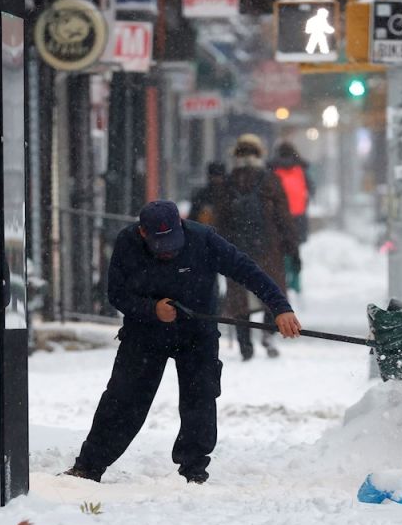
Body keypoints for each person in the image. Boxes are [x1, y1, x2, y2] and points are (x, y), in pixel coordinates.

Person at [63, 200, 302, 484]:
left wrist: (280, 307)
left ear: (181, 226)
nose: (169, 252)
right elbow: (116, 294)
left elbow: (247, 270)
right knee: (123, 399)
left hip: (197, 333)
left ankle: (194, 470)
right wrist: (152, 310)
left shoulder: (203, 239)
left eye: (174, 245)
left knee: (200, 398)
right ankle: (88, 467)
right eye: (160, 246)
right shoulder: (127, 243)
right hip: (144, 333)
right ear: (142, 233)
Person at [214, 133, 300, 360]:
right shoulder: (269, 180)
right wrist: (292, 246)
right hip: (268, 248)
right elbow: (283, 217)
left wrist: (216, 250)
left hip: (235, 249)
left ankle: (245, 346)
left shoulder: (227, 183)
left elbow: (219, 220)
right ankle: (268, 335)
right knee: (272, 291)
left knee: (240, 298)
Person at [269, 141, 313, 293]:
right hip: (298, 216)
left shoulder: (273, 168)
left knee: (279, 250)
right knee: (295, 249)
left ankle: (283, 280)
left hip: (279, 216)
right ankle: (296, 282)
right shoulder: (301, 168)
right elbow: (311, 190)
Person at [187, 161, 226, 226]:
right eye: (215, 176)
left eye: (218, 176)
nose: (217, 180)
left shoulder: (228, 195)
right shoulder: (202, 195)